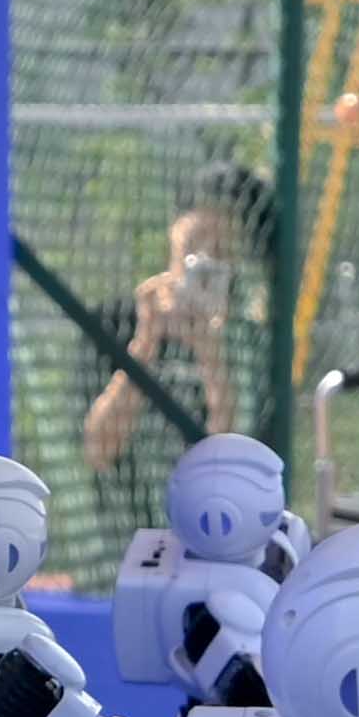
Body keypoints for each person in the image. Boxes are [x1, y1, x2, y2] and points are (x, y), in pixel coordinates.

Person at [79, 162, 270, 497]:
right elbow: (98, 452)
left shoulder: (251, 342)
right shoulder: (116, 322)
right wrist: (145, 344)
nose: (204, 260)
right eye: (195, 245)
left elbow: (228, 468)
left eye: (220, 253)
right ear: (174, 231)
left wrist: (211, 356)